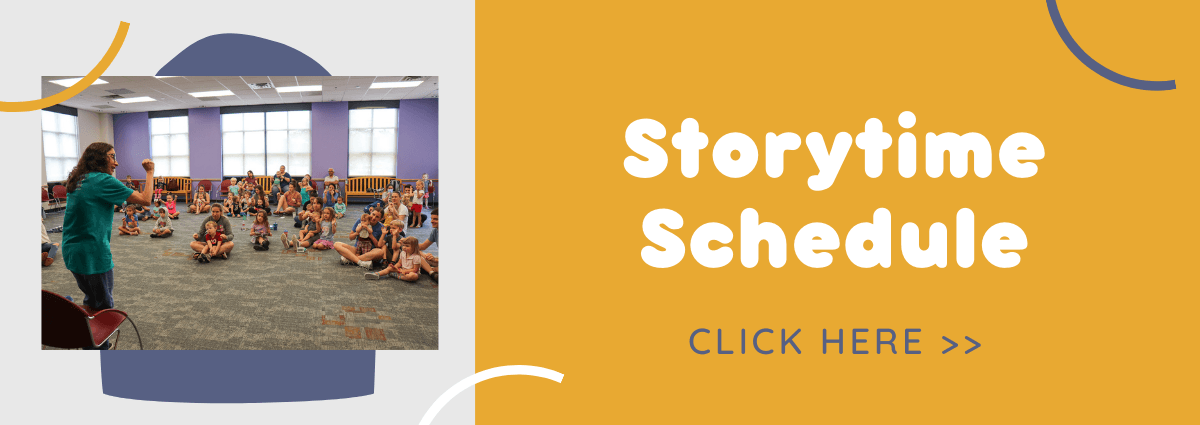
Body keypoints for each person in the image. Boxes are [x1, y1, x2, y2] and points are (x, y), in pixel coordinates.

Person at [60, 143, 154, 349]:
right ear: (100, 159)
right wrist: (150, 172)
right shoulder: (103, 180)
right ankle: (98, 349)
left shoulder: (78, 179)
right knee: (104, 307)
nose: (116, 162)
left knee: (91, 298)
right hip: (93, 253)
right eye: (112, 157)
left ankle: (82, 332)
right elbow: (146, 200)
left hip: (72, 251)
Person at [418, 208, 439, 282]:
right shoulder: (435, 231)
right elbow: (423, 246)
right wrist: (409, 243)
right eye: (432, 219)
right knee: (418, 253)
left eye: (435, 219)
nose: (431, 221)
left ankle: (431, 270)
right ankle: (431, 270)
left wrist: (434, 259)